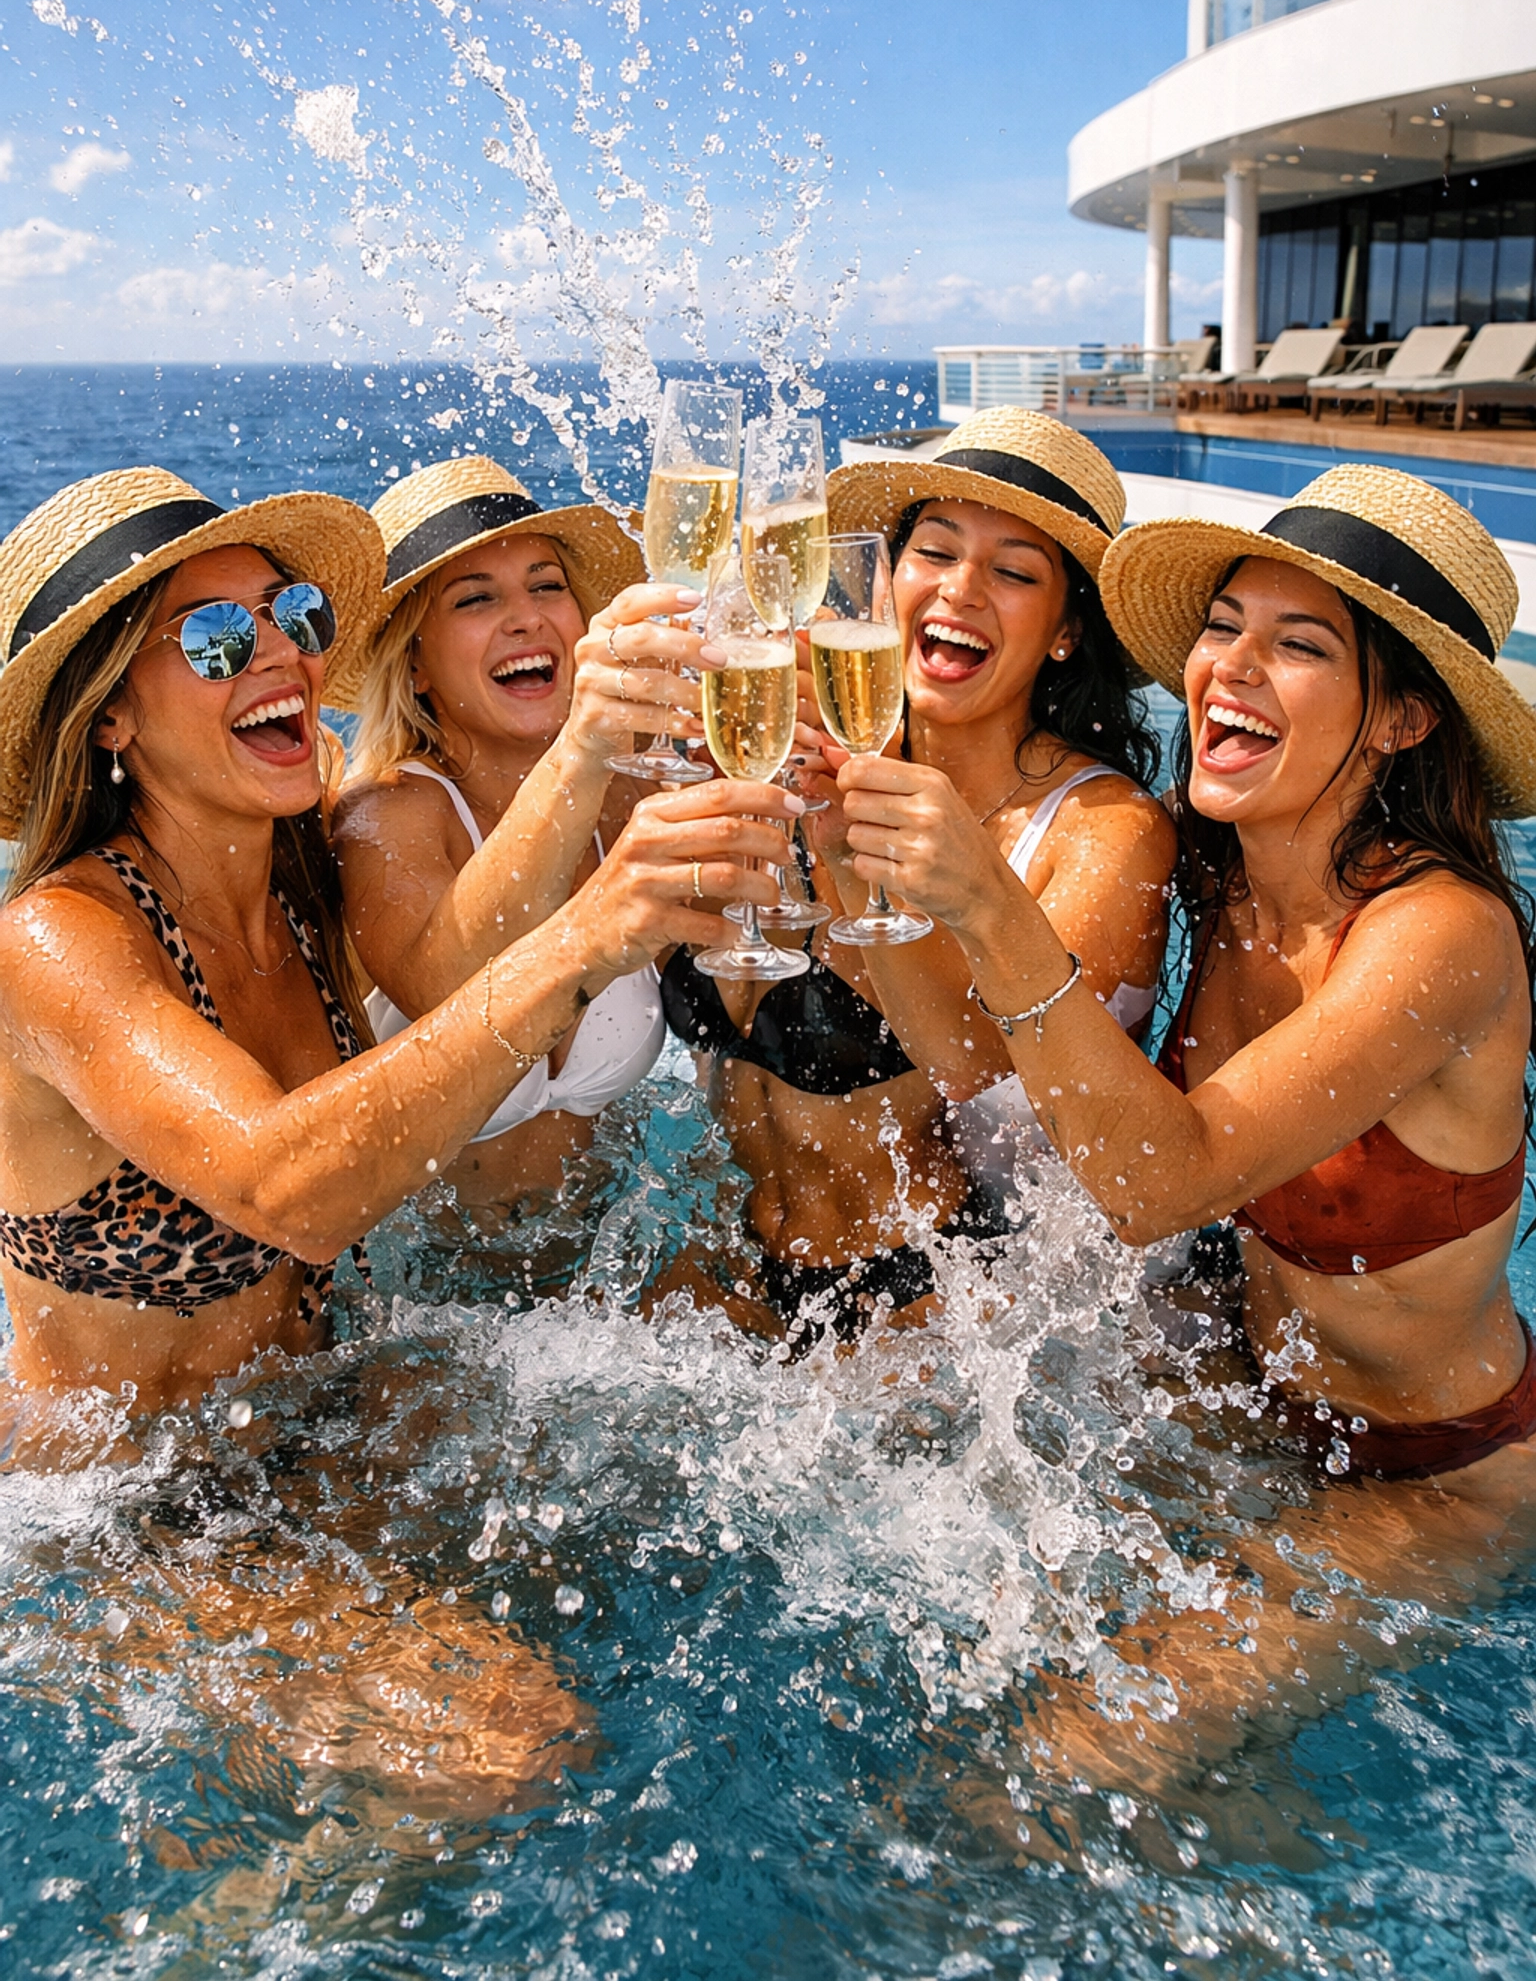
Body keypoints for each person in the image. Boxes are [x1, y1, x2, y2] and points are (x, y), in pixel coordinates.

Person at [0, 466, 803, 1419]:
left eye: (291, 614)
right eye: (214, 640)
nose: (277, 655)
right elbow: (286, 1189)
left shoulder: (302, 893)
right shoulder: (54, 940)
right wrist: (588, 935)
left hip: (334, 1414)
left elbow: (463, 953)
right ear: (108, 715)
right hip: (137, 1503)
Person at [836, 463, 1536, 1482]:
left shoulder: (1440, 935)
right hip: (1228, 1374)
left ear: (1403, 721)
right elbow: (1010, 1075)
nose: (1234, 666)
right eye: (1224, 626)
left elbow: (1160, 1184)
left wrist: (989, 903)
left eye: (1299, 645)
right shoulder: (1221, 881)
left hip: (1429, 1466)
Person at [661, 411, 1174, 1346]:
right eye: (933, 552)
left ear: (1065, 633)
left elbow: (981, 1072)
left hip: (948, 1303)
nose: (962, 588)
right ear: (885, 583)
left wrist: (838, 837)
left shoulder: (1106, 831)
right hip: (738, 1258)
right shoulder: (789, 738)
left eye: (1014, 572)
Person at [332, 456, 709, 1247]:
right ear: (416, 665)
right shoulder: (387, 816)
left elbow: (735, 974)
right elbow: (452, 989)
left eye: (547, 587)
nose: (528, 618)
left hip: (603, 1283)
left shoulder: (633, 794)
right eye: (477, 599)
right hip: (427, 1302)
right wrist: (585, 745)